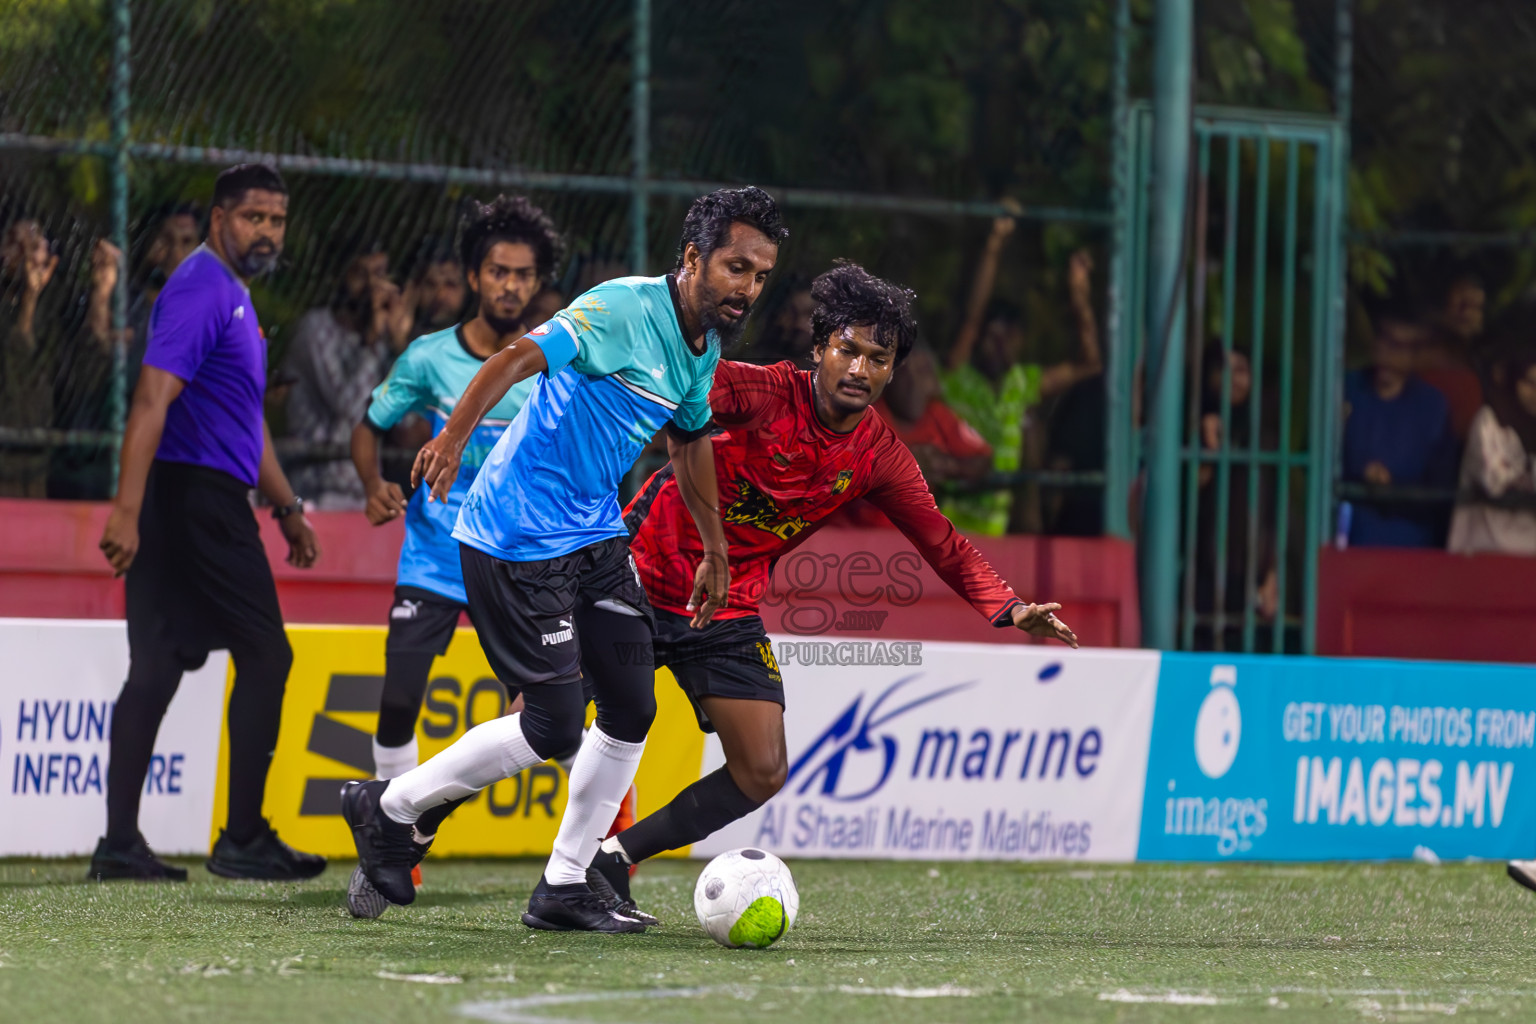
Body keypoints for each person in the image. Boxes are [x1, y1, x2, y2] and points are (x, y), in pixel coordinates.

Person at [339, 186, 787, 933]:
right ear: (692, 258)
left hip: (595, 538)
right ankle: (388, 806)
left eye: (761, 275)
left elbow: (689, 439)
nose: (747, 287)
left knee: (632, 704)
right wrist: (452, 440)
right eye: (736, 267)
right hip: (513, 539)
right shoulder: (620, 308)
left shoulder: (704, 347)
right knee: (553, 728)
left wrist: (716, 549)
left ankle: (565, 885)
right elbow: (517, 356)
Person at [584, 261, 1078, 924]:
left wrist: (1010, 605)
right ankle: (411, 812)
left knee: (762, 769)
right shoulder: (761, 391)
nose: (860, 369)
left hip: (726, 602)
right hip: (644, 566)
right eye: (847, 349)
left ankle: (611, 862)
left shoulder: (879, 454)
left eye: (879, 358)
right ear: (818, 349)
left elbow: (941, 539)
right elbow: (679, 388)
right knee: (545, 721)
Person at [92, 163, 325, 882]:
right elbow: (149, 400)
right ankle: (244, 837)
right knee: (268, 655)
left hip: (193, 495)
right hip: (195, 500)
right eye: (254, 217)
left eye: (277, 220)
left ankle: (120, 846)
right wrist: (125, 513)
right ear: (220, 217)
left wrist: (286, 510)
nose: (267, 232)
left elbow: (243, 420)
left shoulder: (235, 298)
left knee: (157, 666)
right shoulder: (201, 286)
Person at [343, 195, 565, 917]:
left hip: (517, 562)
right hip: (434, 560)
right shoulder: (429, 356)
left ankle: (412, 822)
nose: (510, 286)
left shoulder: (553, 355)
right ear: (474, 275)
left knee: (538, 722)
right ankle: (390, 851)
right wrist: (373, 485)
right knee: (399, 696)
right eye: (498, 271)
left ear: (536, 283)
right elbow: (368, 427)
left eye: (523, 275)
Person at [941, 221, 1101, 535]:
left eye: (1010, 337)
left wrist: (1079, 296)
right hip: (947, 530)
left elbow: (1089, 364)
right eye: (993, 337)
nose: (1001, 346)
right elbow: (973, 317)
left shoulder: (1022, 382)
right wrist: (994, 246)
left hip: (996, 534)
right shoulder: (956, 376)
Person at [52, 204, 203, 499]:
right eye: (165, 240)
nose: (176, 253)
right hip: (101, 462)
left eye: (187, 243)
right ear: (148, 245)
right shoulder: (124, 303)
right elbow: (97, 353)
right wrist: (102, 296)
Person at [282, 243, 413, 508]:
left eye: (379, 275)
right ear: (339, 277)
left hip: (365, 492)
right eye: (360, 275)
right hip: (316, 490)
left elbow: (410, 422)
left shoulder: (384, 341)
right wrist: (374, 341)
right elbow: (348, 407)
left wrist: (400, 347)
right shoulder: (316, 329)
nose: (372, 287)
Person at [1341, 314, 1458, 547]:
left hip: (1411, 546)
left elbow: (1440, 489)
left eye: (1399, 347)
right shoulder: (1345, 389)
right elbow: (1314, 462)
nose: (1388, 353)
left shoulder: (1433, 407)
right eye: (1384, 340)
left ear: (1415, 355)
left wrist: (1391, 489)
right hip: (1346, 539)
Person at [1, 217, 68, 496]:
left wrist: (32, 297)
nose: (26, 254)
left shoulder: (57, 313)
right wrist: (28, 297)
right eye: (16, 244)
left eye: (34, 245)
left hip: (37, 453)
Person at [1448, 342, 1536, 555]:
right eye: (1529, 383)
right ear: (1512, 381)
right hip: (1484, 551)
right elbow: (1495, 481)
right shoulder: (1488, 421)